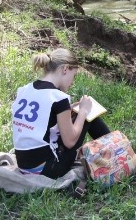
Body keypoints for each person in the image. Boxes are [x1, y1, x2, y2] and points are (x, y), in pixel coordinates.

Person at [12, 48, 111, 179]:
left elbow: (42, 117)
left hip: (24, 164)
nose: (73, 81)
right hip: (48, 169)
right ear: (65, 69)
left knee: (78, 116)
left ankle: (113, 148)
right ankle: (115, 151)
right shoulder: (59, 97)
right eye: (73, 75)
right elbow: (70, 141)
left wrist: (69, 110)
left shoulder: (24, 89)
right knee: (88, 117)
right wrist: (83, 112)